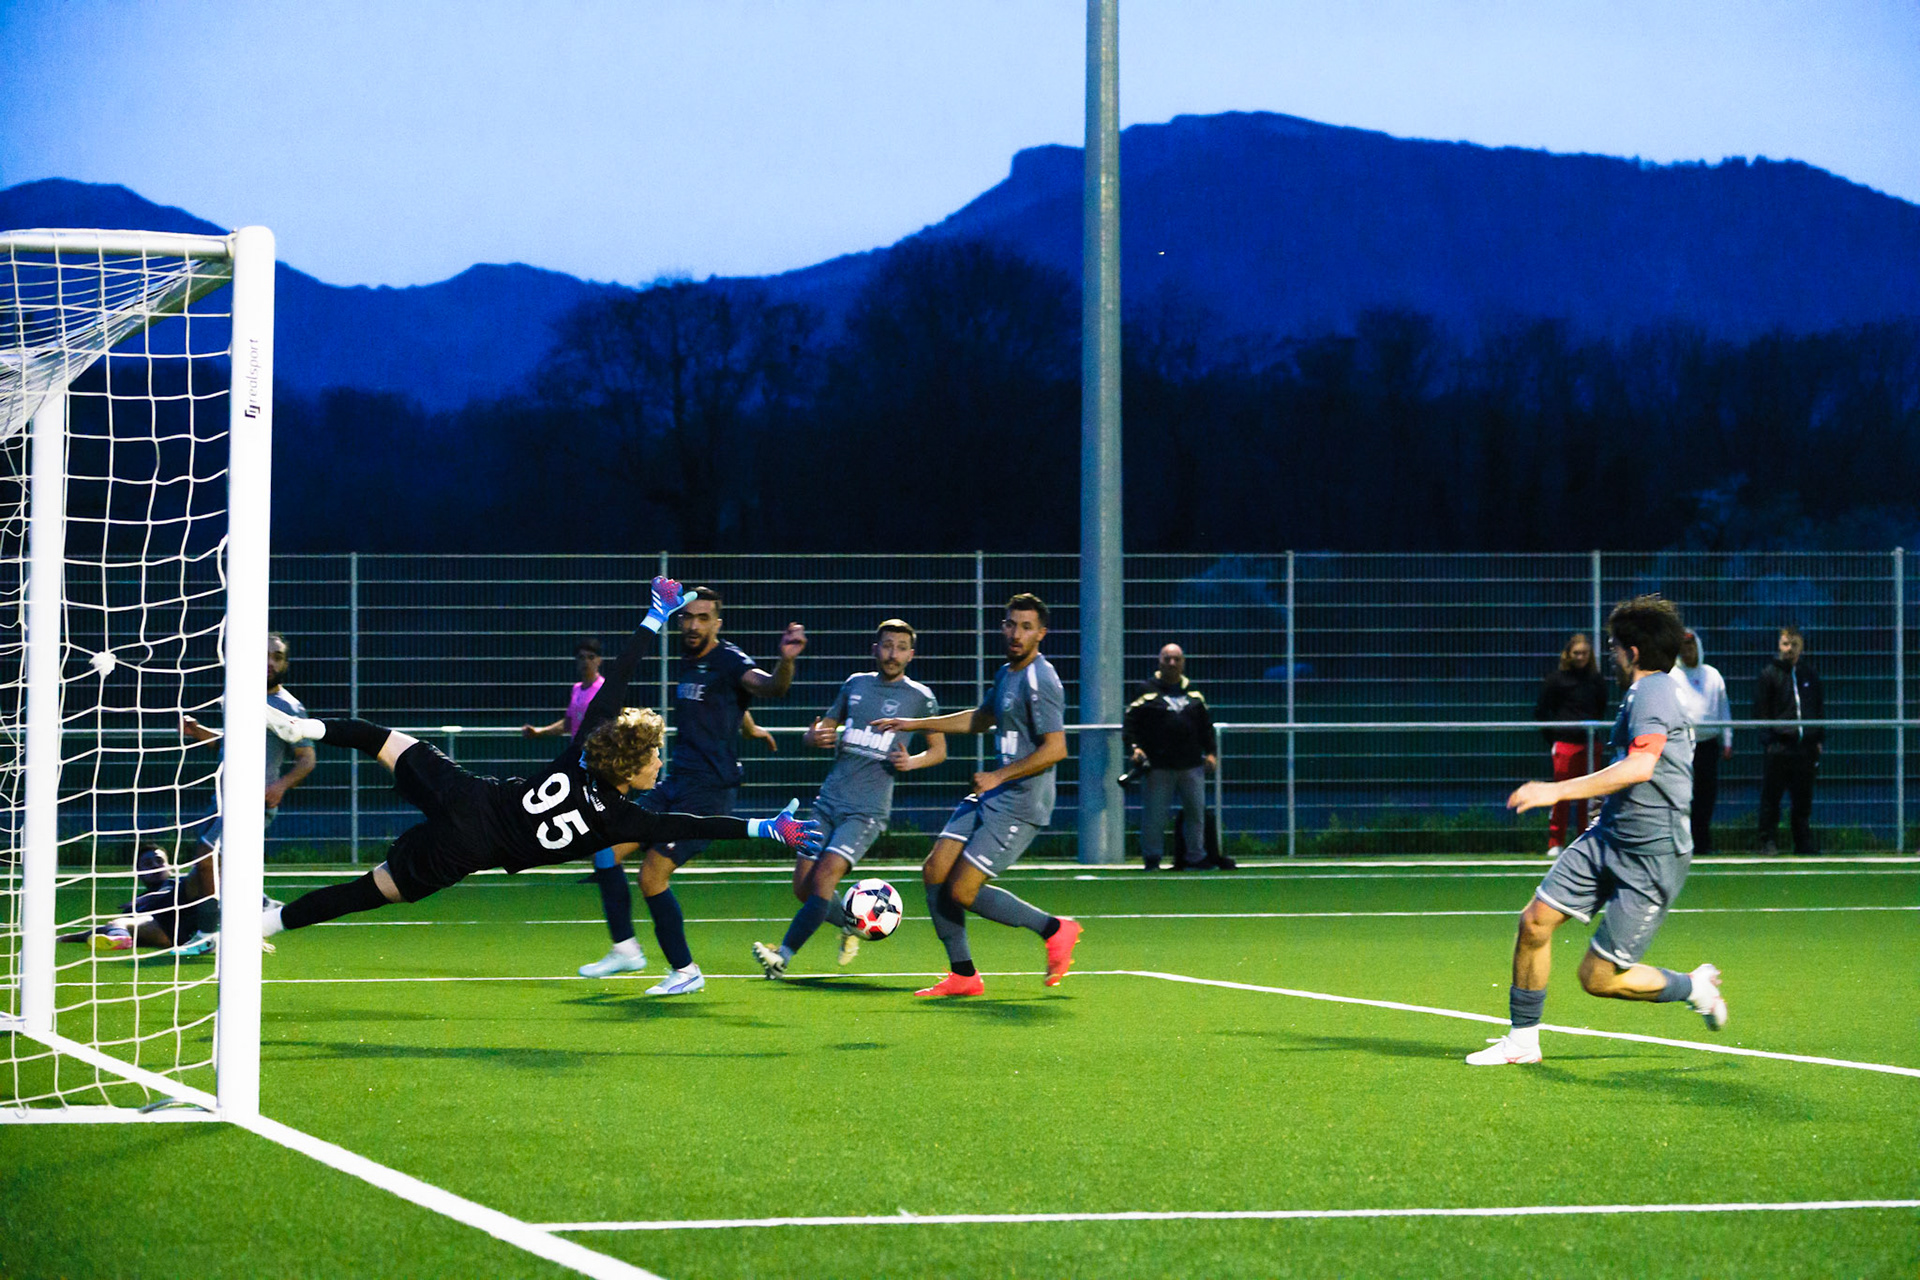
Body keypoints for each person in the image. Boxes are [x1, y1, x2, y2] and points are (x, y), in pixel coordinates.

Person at [259, 578, 821, 948]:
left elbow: (615, 682)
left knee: (386, 740)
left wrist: (654, 617)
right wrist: (764, 828)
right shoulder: (622, 819)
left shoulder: (582, 754)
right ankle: (273, 922)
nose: (659, 762)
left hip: (467, 795)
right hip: (465, 851)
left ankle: (305, 727)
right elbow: (694, 825)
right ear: (628, 772)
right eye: (653, 756)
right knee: (366, 893)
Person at [1467, 595, 1727, 1067]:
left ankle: (1695, 987)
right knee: (1535, 922)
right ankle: (1523, 1041)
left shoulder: (1653, 694)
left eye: (1613, 646)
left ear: (1631, 651)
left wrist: (1555, 791)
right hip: (1610, 836)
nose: (1609, 654)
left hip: (1652, 856)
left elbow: (1641, 766)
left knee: (1599, 978)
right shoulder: (1642, 691)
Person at [577, 586, 807, 994]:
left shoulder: (730, 659)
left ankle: (685, 971)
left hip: (708, 792)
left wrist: (785, 662)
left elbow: (767, 685)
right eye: (688, 617)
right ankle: (626, 949)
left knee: (652, 875)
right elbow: (728, 703)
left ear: (717, 623)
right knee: (604, 849)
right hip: (676, 782)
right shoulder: (690, 661)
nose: (694, 624)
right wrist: (752, 729)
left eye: (703, 618)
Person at [870, 593, 1083, 997]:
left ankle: (1055, 929)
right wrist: (912, 722)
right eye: (1011, 624)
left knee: (963, 890)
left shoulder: (1042, 678)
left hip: (1020, 803)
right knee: (934, 870)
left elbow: (1056, 749)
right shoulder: (1007, 673)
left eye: (1026, 627)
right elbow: (980, 718)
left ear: (1041, 633)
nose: (1016, 633)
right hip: (994, 795)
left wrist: (998, 776)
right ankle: (963, 975)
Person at [751, 618, 945, 978]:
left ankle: (783, 956)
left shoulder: (920, 697)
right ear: (875, 649)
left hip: (866, 811)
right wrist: (814, 738)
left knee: (823, 881)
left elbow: (938, 751)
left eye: (901, 647)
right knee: (802, 888)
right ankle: (851, 923)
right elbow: (824, 729)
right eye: (887, 645)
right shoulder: (855, 685)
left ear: (911, 654)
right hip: (829, 801)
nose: (893, 653)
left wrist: (910, 762)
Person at [175, 633, 316, 949]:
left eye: (277, 656)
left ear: (285, 663)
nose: (269, 662)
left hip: (253, 802)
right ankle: (258, 905)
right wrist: (197, 731)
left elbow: (307, 759)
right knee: (200, 877)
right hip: (223, 799)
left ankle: (209, 935)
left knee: (207, 857)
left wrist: (280, 786)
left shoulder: (289, 707)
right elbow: (228, 746)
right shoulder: (239, 697)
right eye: (263, 655)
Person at [1123, 643, 1220, 871]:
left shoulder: (1194, 692)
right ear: (1160, 662)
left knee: (1196, 813)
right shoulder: (1146, 690)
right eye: (1167, 659)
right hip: (1159, 766)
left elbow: (1206, 726)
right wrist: (1135, 748)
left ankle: (1196, 857)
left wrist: (1212, 753)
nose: (1172, 663)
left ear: (1183, 662)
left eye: (1176, 659)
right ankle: (1152, 859)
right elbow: (1130, 723)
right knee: (1154, 816)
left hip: (1191, 765)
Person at [58, 842, 212, 954]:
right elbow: (107, 927)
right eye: (147, 863)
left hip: (187, 919)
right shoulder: (136, 905)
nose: (154, 866)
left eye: (159, 861)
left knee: (199, 871)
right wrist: (69, 937)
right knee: (120, 922)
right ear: (138, 871)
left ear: (170, 866)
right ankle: (120, 940)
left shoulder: (180, 885)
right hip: (165, 931)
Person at [1531, 631, 1608, 854]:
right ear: (1568, 654)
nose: (1581, 657)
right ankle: (1555, 842)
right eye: (1577, 653)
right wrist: (1554, 737)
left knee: (1590, 794)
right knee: (1561, 793)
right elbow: (1542, 711)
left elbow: (1600, 707)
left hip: (1590, 744)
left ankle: (1585, 840)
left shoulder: (1596, 680)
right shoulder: (1556, 680)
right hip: (1565, 745)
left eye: (1584, 653)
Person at [1754, 625, 1823, 856]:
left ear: (1801, 647)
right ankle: (1767, 841)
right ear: (1779, 645)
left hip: (1805, 748)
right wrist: (1769, 741)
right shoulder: (1769, 674)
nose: (1789, 649)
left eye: (1794, 644)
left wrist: (1818, 739)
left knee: (1803, 799)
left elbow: (1818, 708)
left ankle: (1803, 842)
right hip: (1779, 747)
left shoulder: (1810, 674)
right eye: (1785, 644)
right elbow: (1761, 711)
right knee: (1771, 797)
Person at [1671, 628, 1734, 856]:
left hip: (1708, 745)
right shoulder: (1672, 676)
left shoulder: (1712, 675)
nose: (1687, 651)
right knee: (1682, 795)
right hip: (1682, 746)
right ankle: (1681, 842)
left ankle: (1703, 842)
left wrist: (1727, 739)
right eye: (1683, 647)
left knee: (1706, 795)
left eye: (1691, 646)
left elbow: (1723, 709)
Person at [522, 637, 605, 742]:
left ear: (599, 660)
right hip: (577, 751)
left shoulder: (605, 688)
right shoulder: (576, 689)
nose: (586, 662)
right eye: (581, 657)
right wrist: (539, 732)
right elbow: (568, 724)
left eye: (591, 657)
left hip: (597, 752)